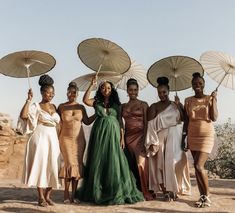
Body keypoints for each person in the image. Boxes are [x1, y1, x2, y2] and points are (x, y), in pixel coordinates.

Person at [75, 77, 144, 205]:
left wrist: (122, 138)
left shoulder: (117, 105)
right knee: (99, 160)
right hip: (99, 134)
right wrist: (91, 84)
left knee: (114, 160)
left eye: (108, 88)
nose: (106, 90)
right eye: (103, 88)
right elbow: (85, 100)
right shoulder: (96, 102)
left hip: (113, 133)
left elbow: (120, 122)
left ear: (112, 90)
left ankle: (114, 190)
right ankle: (99, 190)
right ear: (100, 90)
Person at [17, 74, 61, 207]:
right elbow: (24, 116)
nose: (51, 95)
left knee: (54, 166)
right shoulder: (36, 105)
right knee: (41, 165)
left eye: (53, 93)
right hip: (40, 137)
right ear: (42, 92)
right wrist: (28, 100)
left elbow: (59, 124)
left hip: (53, 138)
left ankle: (48, 196)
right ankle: (41, 197)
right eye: (48, 92)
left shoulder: (54, 107)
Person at [146, 76, 191, 201]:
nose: (162, 95)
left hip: (175, 139)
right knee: (160, 165)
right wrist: (152, 142)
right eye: (159, 93)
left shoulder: (175, 104)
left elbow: (183, 120)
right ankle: (165, 191)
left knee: (174, 164)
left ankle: (174, 189)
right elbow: (150, 126)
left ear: (168, 91)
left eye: (164, 92)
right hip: (160, 139)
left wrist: (179, 106)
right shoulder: (153, 107)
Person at [182, 72, 218, 208]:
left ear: (204, 85)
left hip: (206, 136)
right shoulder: (188, 100)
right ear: (192, 85)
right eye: (195, 84)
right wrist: (183, 137)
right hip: (192, 135)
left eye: (200, 83)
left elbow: (214, 117)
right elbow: (185, 120)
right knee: (197, 169)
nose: (197, 86)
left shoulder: (210, 98)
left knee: (198, 165)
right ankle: (202, 196)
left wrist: (214, 100)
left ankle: (207, 195)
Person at [58, 81, 95, 204]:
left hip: (79, 139)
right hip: (65, 139)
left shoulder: (81, 107)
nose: (72, 94)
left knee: (77, 165)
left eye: (75, 92)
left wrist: (98, 113)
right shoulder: (61, 107)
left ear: (77, 94)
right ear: (67, 93)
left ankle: (74, 195)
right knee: (69, 164)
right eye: (70, 92)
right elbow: (56, 122)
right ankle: (65, 194)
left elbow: (87, 121)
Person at [121, 78, 153, 200]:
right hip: (128, 138)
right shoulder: (123, 106)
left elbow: (146, 124)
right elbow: (121, 125)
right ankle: (134, 190)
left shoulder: (144, 104)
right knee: (130, 166)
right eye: (130, 90)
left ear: (138, 90)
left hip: (140, 137)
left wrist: (145, 140)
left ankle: (146, 191)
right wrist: (122, 138)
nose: (133, 92)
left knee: (141, 164)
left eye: (135, 90)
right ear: (127, 91)